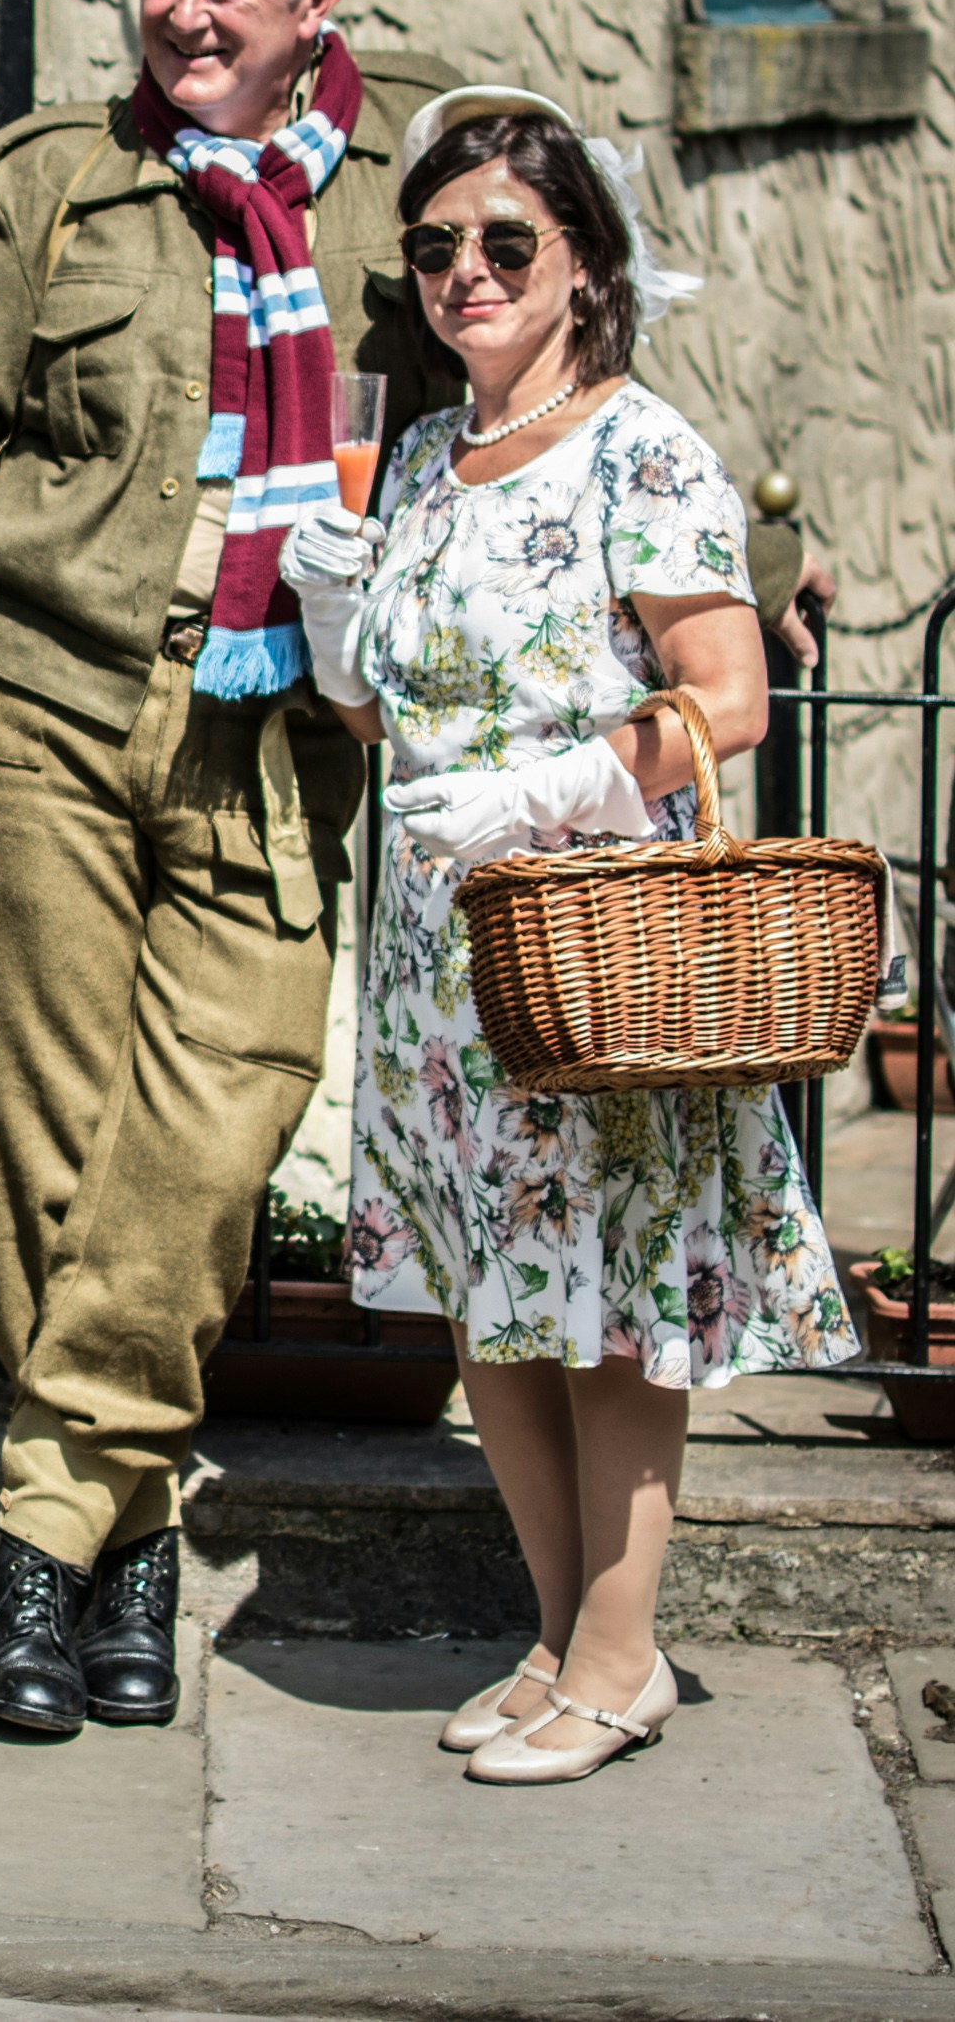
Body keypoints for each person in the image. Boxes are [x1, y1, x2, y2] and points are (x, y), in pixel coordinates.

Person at [0, 0, 465, 1739]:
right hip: (40, 695)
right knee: (48, 1134)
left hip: (275, 727)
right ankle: (111, 1574)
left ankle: (43, 1525)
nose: (184, 17)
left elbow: (530, 374)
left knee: (225, 1105)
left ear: (318, 13)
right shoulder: (54, 180)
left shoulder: (420, 197)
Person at [279, 91, 858, 1784]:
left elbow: (731, 698)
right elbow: (400, 725)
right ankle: (552, 1642)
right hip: (438, 962)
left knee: (606, 1308)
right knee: (497, 1304)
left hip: (588, 947)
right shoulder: (434, 459)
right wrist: (334, 625)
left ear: (585, 268)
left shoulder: (645, 447)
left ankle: (623, 1660)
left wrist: (538, 797)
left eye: (507, 243)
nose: (468, 271)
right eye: (438, 246)